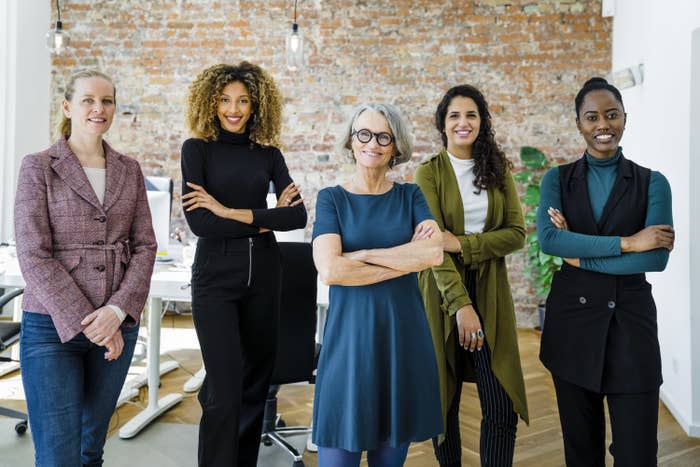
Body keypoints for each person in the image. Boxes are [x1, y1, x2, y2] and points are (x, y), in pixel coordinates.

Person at [14, 69, 157, 466]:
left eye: (107, 101)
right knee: (59, 456)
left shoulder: (129, 169)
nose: (99, 109)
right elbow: (33, 254)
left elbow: (146, 245)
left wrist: (115, 313)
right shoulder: (38, 167)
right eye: (88, 100)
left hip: (117, 328)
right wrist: (88, 323)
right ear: (67, 107)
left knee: (89, 451)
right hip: (50, 328)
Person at [537, 77, 674, 466]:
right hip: (572, 329)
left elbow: (656, 259)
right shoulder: (557, 180)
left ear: (625, 119)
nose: (603, 125)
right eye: (592, 117)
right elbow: (550, 241)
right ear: (579, 123)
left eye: (611, 115)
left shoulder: (653, 182)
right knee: (582, 454)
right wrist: (629, 243)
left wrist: (578, 254)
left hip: (632, 329)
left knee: (638, 454)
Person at [180, 61, 307, 467]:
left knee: (255, 386)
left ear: (256, 106)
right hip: (215, 278)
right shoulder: (195, 150)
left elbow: (298, 218)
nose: (233, 109)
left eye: (243, 101)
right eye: (224, 100)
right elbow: (201, 223)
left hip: (265, 277)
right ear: (211, 103)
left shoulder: (269, 155)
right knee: (222, 389)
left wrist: (228, 211)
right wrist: (264, 219)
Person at [312, 103, 444, 467]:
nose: (373, 143)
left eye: (384, 136)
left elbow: (433, 254)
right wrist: (404, 259)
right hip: (348, 343)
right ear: (352, 141)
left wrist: (362, 254)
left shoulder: (410, 196)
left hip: (401, 342)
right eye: (364, 134)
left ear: (395, 145)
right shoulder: (331, 199)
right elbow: (332, 270)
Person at [414, 84, 529, 467]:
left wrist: (462, 244)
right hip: (442, 293)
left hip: (491, 293)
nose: (463, 123)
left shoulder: (497, 169)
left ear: (482, 122)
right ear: (443, 125)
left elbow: (516, 233)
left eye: (471, 115)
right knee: (443, 403)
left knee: (500, 404)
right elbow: (432, 246)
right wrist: (461, 305)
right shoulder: (427, 173)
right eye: (454, 116)